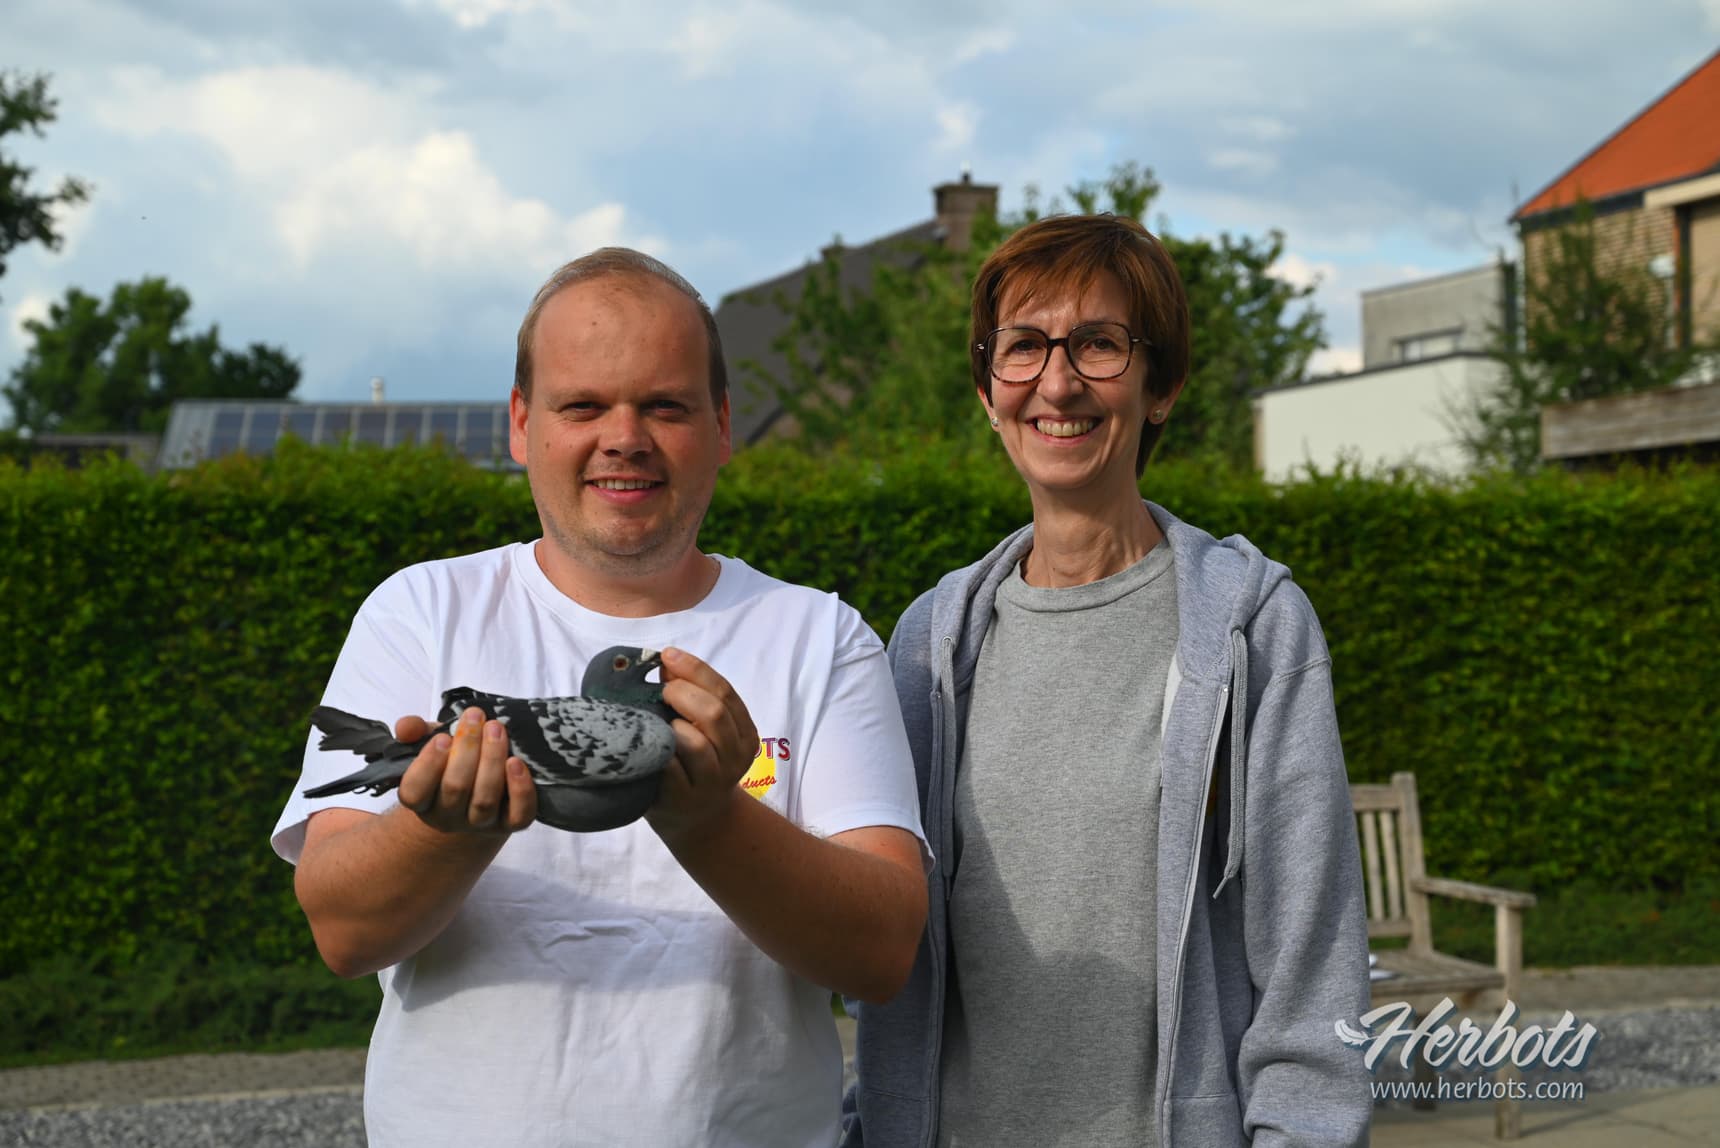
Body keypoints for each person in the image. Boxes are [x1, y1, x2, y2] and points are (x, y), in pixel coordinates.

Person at [272, 248, 929, 1148]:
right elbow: (342, 929)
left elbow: (882, 951)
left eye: (665, 405)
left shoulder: (821, 637)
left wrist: (712, 823)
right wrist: (444, 827)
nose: (625, 436)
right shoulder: (420, 612)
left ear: (723, 424)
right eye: (582, 405)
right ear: (520, 424)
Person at [844, 214, 1371, 1147]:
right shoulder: (930, 645)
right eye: (1024, 347)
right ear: (986, 388)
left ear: (1160, 386)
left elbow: (1311, 964)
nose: (1057, 381)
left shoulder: (1254, 629)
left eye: (1098, 344)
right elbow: (897, 959)